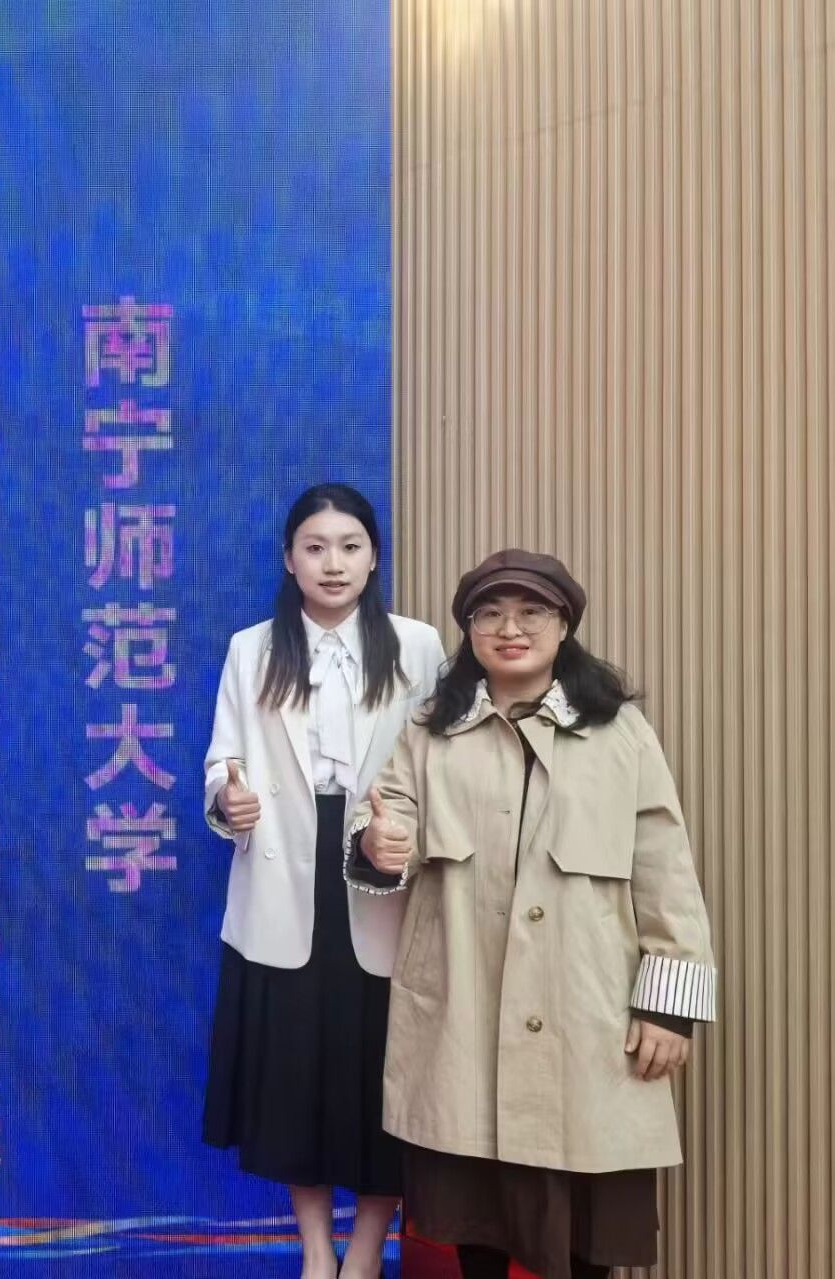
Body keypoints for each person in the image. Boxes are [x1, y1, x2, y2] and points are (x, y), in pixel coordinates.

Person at [353, 548, 717, 1279]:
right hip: (464, 1013)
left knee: (589, 1228)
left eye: (531, 612)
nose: (509, 628)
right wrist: (376, 841)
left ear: (564, 625)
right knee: (474, 1217)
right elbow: (387, 820)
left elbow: (666, 867)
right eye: (489, 613)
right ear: (469, 631)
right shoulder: (430, 729)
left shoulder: (619, 731)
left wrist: (669, 1010)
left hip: (589, 1016)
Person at [202, 483, 445, 1279]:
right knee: (292, 1079)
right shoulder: (252, 649)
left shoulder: (417, 646)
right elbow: (222, 760)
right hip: (283, 877)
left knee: (383, 1078)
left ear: (374, 558)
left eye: (349, 546)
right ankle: (316, 1249)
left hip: (381, 876)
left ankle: (367, 1249)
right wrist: (227, 801)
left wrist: (400, 833)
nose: (332, 563)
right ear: (289, 558)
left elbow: (443, 769)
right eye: (315, 546)